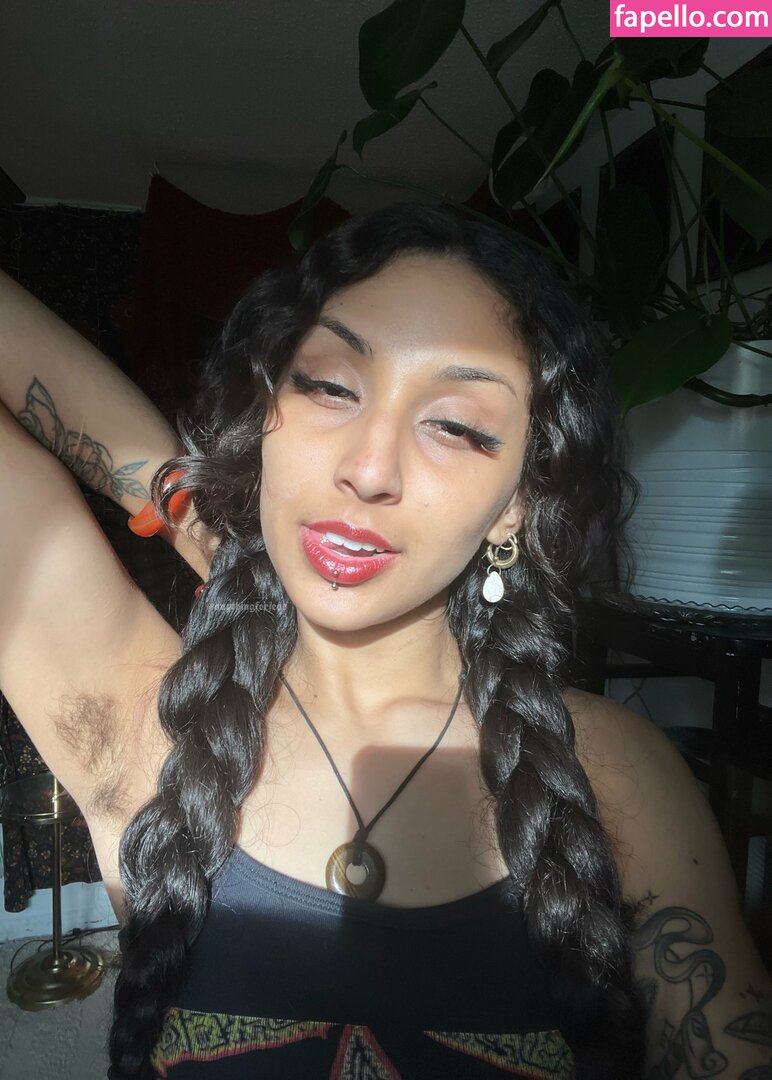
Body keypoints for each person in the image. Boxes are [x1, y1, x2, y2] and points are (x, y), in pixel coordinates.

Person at [0, 200, 769, 1080]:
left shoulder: (616, 774)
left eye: (456, 426)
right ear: (264, 416)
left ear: (518, 501)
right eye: (328, 385)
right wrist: (201, 514)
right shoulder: (142, 722)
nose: (368, 469)